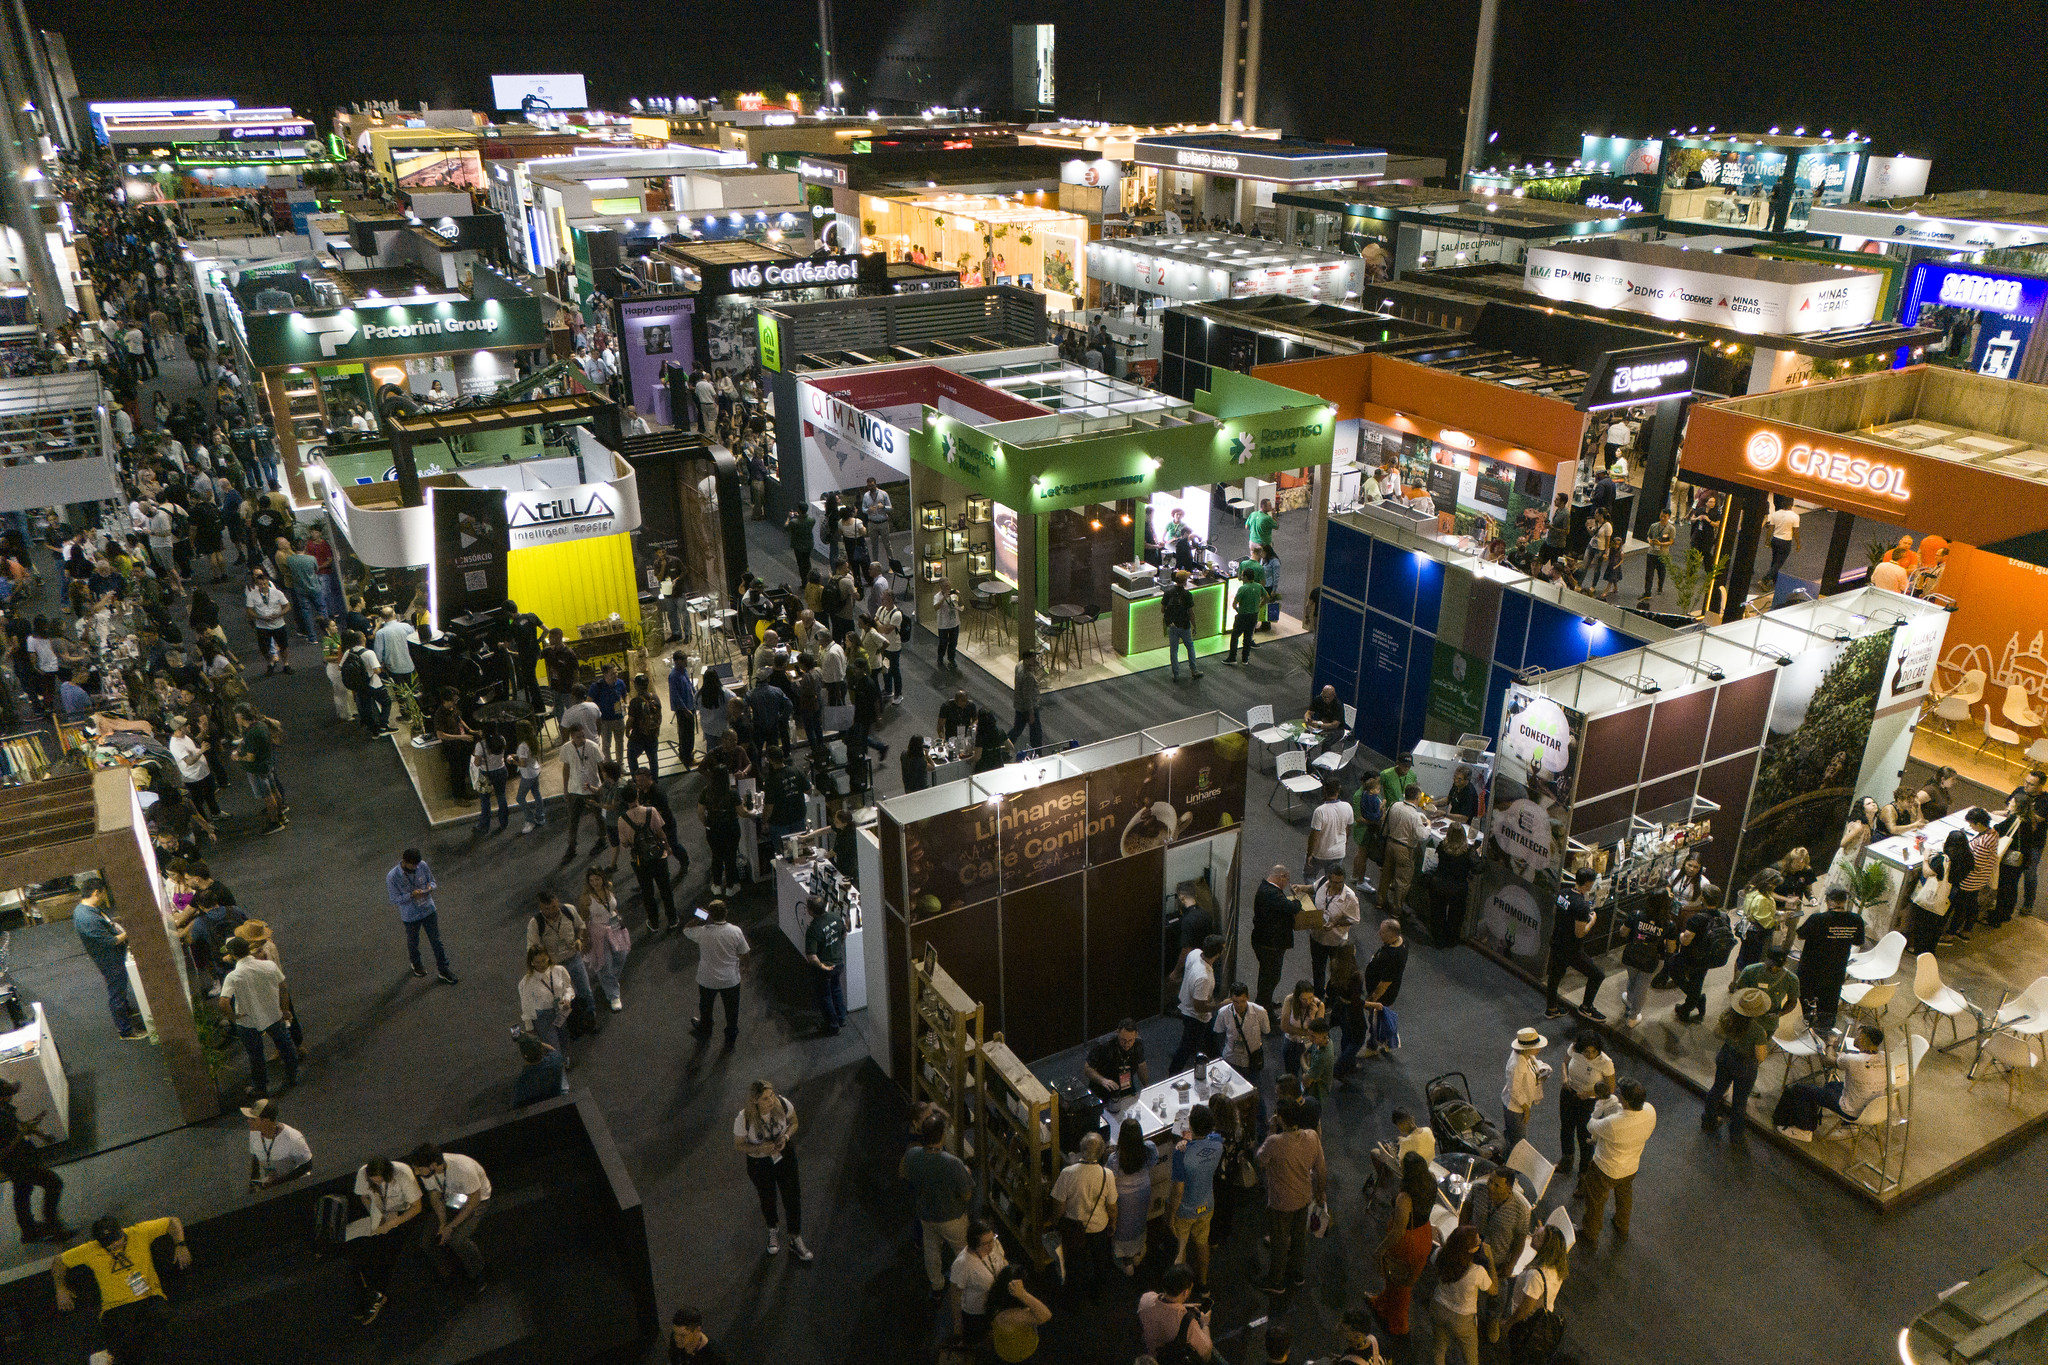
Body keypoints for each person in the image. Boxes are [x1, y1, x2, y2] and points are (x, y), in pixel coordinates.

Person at [53, 1213, 190, 1357]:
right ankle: (119, 1351)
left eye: (116, 1240)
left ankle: (112, 1352)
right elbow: (59, 1261)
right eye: (108, 1243)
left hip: (149, 1297)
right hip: (115, 1307)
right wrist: (60, 1288)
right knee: (122, 1330)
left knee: (161, 1317)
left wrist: (180, 1245)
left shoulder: (138, 1232)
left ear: (121, 1231)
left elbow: (172, 1221)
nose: (114, 1245)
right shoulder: (91, 1249)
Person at [734, 1079, 810, 1260]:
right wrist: (759, 1149)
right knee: (767, 1197)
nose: (771, 1101)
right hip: (760, 1164)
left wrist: (786, 1137)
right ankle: (772, 1230)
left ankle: (795, 1237)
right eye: (766, 1099)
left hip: (785, 1156)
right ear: (755, 1101)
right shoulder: (744, 1118)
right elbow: (739, 1145)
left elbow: (794, 1122)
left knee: (792, 1195)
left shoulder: (783, 1104)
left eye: (772, 1095)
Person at [1252, 1106, 1326, 1294]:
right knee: (1299, 1237)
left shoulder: (1275, 1142)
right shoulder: (1312, 1136)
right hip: (1304, 1197)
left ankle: (1275, 1281)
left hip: (1281, 1202)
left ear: (1282, 1119)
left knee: (1279, 1241)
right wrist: (1320, 1192)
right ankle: (1297, 1273)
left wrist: (1270, 1129)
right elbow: (1321, 1169)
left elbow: (1260, 1160)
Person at [902, 1110, 975, 1296]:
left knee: (931, 1250)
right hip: (952, 1218)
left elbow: (906, 1176)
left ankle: (936, 1285)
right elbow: (967, 1195)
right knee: (962, 1254)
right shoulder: (952, 1163)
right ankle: (966, 1286)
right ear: (942, 1135)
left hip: (926, 1215)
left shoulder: (912, 1155)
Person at [1579, 1078, 1656, 1252]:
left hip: (1606, 1168)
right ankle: (1622, 1224)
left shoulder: (1614, 1124)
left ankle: (1590, 1233)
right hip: (1631, 1167)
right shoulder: (1650, 1111)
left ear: (1625, 1100)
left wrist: (1596, 1108)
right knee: (1624, 1197)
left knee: (1596, 1201)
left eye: (1619, 1092)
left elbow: (1591, 1126)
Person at [218, 936, 298, 1098]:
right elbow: (283, 988)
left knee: (256, 1055)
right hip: (273, 1014)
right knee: (285, 1045)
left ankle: (260, 1087)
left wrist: (233, 1018)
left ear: (233, 955)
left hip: (248, 1021)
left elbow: (223, 1002)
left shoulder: (233, 976)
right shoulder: (269, 966)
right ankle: (292, 1075)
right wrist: (284, 1009)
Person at [408, 1142, 492, 1293]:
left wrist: (450, 1226)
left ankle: (478, 1271)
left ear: (433, 1165)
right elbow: (434, 1195)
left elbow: (474, 1200)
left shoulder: (463, 1169)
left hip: (477, 1201)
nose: (416, 1172)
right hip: (452, 1199)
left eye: (418, 1168)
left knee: (458, 1240)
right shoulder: (428, 1173)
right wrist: (442, 1223)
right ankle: (449, 1272)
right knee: (426, 1241)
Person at [1778, 1024, 1890, 1137]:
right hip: (1872, 1110)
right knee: (1831, 1085)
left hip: (1851, 1111)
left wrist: (1830, 1043)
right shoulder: (1885, 1057)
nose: (1855, 1038)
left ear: (1862, 1038)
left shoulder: (1853, 1060)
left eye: (1857, 1035)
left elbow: (1828, 1060)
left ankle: (1804, 1130)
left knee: (1800, 1089)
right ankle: (1846, 1125)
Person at [72, 878, 147, 1040]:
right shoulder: (87, 918)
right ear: (96, 893)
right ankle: (125, 1030)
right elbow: (109, 941)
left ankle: (126, 1012)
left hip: (112, 957)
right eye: (102, 895)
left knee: (119, 989)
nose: (103, 898)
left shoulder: (88, 909)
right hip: (109, 960)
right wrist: (130, 931)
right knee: (116, 993)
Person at [348, 1157, 421, 1322]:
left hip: (403, 1214)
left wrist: (393, 1222)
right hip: (380, 1214)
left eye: (380, 1181)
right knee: (360, 1253)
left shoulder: (404, 1175)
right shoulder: (363, 1173)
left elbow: (417, 1207)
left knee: (387, 1253)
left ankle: (378, 1294)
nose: (377, 1184)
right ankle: (372, 1294)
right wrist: (378, 1217)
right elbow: (364, 1197)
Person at [1462, 1167, 1530, 1343]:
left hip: (1498, 1259)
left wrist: (1511, 1264)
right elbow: (1466, 1210)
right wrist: (1462, 1235)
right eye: (1490, 1181)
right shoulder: (1478, 1190)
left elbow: (1519, 1240)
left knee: (1497, 1294)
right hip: (1472, 1251)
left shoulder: (1520, 1210)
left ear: (1509, 1188)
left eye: (1497, 1185)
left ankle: (1493, 1321)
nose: (1490, 1187)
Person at [1050, 1132, 1116, 1295]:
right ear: (1101, 1153)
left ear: (1081, 1149)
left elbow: (1059, 1205)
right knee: (1099, 1263)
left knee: (1074, 1265)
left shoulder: (1067, 1173)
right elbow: (1112, 1206)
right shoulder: (1107, 1175)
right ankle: (1098, 1294)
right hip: (1098, 1228)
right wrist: (1113, 1223)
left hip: (1074, 1230)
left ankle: (1075, 1297)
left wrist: (1056, 1223)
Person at [0, 1076, 64, 1240]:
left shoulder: (5, 1110)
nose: (11, 1097)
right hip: (17, 1163)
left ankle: (29, 1230)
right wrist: (22, 1134)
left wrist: (42, 1135)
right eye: (8, 1094)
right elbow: (4, 1151)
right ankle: (52, 1225)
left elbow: (21, 1126)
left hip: (21, 1159)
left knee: (22, 1192)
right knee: (53, 1183)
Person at [1169, 1103, 1224, 1292]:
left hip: (1186, 1209)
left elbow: (1177, 1190)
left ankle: (1181, 1290)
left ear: (1190, 1125)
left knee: (1181, 1249)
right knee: (1202, 1243)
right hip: (1207, 1205)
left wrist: (1170, 1216)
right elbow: (1210, 1138)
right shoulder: (1218, 1142)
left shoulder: (1181, 1153)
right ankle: (1203, 1283)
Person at [1796, 887, 1867, 1030]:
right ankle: (1824, 1034)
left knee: (1805, 1000)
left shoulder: (1817, 919)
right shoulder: (1856, 920)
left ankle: (1803, 1028)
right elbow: (1859, 942)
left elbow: (1801, 934)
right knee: (1829, 1006)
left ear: (1828, 901)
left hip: (1812, 968)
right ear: (1846, 901)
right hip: (1836, 969)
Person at [386, 849, 456, 984]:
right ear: (405, 862)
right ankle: (416, 963)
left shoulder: (422, 865)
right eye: (413, 866)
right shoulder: (392, 876)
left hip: (428, 909)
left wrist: (430, 887)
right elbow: (394, 899)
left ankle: (443, 970)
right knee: (413, 940)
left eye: (417, 865)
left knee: (436, 940)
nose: (416, 868)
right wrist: (411, 895)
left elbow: (433, 881)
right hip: (411, 915)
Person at [685, 899, 749, 1044]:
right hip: (730, 979)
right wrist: (746, 967)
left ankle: (705, 1027)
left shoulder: (702, 933)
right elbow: (745, 952)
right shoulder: (735, 931)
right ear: (726, 912)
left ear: (710, 916)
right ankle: (731, 1033)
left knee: (706, 1006)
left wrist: (698, 918)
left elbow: (686, 930)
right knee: (732, 1009)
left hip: (707, 979)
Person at [1431, 1223, 1495, 1365]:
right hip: (1462, 1319)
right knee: (1471, 1358)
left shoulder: (1439, 1255)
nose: (1481, 1243)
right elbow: (1494, 1290)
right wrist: (1490, 1260)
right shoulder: (1477, 1272)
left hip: (1438, 1307)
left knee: (1439, 1349)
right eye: (1478, 1241)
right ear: (1472, 1250)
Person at [1170, 934, 1225, 1072]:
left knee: (1210, 1041)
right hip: (1196, 1017)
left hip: (1188, 1008)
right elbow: (1199, 1006)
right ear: (1218, 953)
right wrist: (1219, 1005)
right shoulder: (1203, 977)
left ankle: (1217, 1062)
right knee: (1187, 1046)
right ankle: (1174, 1071)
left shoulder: (1195, 954)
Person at [1137, 1265, 1214, 1361]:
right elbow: (1206, 1351)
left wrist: (1182, 1306)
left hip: (1148, 1353)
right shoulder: (1186, 1323)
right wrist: (1205, 1323)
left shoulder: (1146, 1298)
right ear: (1185, 1292)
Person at [1356, 918, 1407, 1061]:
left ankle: (1373, 1046)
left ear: (1393, 935)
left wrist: (1371, 1000)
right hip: (1384, 990)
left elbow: (1384, 984)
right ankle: (1386, 1040)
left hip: (1382, 995)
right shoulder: (1401, 942)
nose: (1378, 933)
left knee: (1375, 1019)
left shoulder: (1393, 957)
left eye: (1383, 932)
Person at [1110, 1118, 1156, 1275]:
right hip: (1144, 1190)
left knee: (1123, 1226)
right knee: (1138, 1221)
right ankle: (1136, 1254)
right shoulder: (1148, 1149)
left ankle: (1126, 1260)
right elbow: (1152, 1162)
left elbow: (1110, 1178)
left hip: (1123, 1197)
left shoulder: (1115, 1159)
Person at [1249, 865, 1297, 1014]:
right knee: (1270, 978)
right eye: (1287, 880)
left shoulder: (1265, 888)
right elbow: (1293, 907)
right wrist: (1296, 898)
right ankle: (1265, 1009)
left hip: (1264, 941)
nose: (1286, 884)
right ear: (1281, 876)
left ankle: (1264, 1001)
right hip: (1270, 944)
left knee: (1266, 976)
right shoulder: (1272, 893)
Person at [949, 1220, 1007, 1342]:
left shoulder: (994, 1244)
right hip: (977, 1312)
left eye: (993, 1239)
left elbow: (1002, 1260)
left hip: (995, 1305)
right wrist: (957, 1323)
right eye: (986, 1243)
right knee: (976, 1338)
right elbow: (955, 1294)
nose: (992, 1245)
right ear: (974, 1244)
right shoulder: (963, 1264)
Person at [1309, 865, 1360, 996]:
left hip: (1336, 942)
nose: (1337, 885)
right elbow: (1312, 888)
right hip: (1317, 937)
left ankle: (1332, 997)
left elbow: (1354, 919)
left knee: (1337, 972)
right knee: (1318, 968)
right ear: (1329, 879)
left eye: (1340, 882)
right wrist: (1300, 888)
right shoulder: (1322, 884)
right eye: (1334, 882)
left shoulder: (1350, 898)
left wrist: (1335, 923)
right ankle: (1319, 995)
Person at [988, 1262, 1053, 1362]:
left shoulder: (995, 1298)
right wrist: (1023, 1295)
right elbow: (1046, 1315)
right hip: (1018, 1353)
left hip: (1003, 1345)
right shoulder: (1011, 1316)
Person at [804, 894, 849, 1035]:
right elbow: (844, 934)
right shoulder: (835, 917)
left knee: (825, 996)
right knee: (836, 989)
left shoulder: (813, 929)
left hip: (825, 968)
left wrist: (822, 966)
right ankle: (841, 1018)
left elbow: (811, 955)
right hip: (838, 963)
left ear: (810, 911)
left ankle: (832, 1025)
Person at [244, 1097, 312, 1189]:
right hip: (269, 1186)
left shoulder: (293, 1138)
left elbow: (307, 1165)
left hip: (292, 1187)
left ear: (266, 1121)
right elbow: (256, 1157)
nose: (248, 1121)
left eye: (253, 1119)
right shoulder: (254, 1133)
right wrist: (252, 1184)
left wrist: (279, 1182)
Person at [1953, 805, 1999, 939]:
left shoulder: (1984, 842)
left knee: (1960, 907)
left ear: (1979, 824)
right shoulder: (1993, 833)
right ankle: (1967, 930)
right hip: (1980, 878)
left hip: (1971, 879)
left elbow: (1976, 864)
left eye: (1972, 824)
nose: (1971, 827)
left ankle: (1951, 933)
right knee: (1972, 904)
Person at [1382, 782, 1427, 915]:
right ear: (1417, 796)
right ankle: (1396, 910)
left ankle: (1380, 901)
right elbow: (1421, 835)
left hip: (1390, 844)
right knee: (1402, 881)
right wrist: (1428, 826)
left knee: (1386, 875)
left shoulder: (1395, 805)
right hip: (1404, 849)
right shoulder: (1414, 815)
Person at [1501, 1026, 1551, 1148]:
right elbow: (1514, 1090)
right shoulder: (1517, 1065)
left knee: (1513, 1136)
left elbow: (1533, 1065)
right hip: (1515, 1108)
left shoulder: (1526, 1055)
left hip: (1519, 1104)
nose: (1539, 1049)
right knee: (1519, 1143)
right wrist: (1526, 1109)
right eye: (1536, 1047)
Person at [1431, 823, 1477, 946]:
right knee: (1456, 916)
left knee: (1438, 913)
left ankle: (1438, 939)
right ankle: (1451, 940)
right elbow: (1478, 868)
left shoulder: (1442, 846)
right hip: (1458, 887)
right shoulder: (1468, 851)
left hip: (1439, 884)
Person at [2008, 769, 2048, 911]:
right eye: (2026, 781)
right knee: (2010, 872)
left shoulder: (2045, 801)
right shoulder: (2020, 790)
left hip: (2033, 844)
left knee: (2030, 874)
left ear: (2040, 786)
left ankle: (2028, 905)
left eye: (2031, 784)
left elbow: (2037, 818)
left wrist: (2017, 811)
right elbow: (2009, 809)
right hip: (2015, 839)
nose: (2026, 786)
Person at [1084, 1017, 1149, 1104]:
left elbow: (1141, 1065)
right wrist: (1103, 1080)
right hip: (1103, 1087)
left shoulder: (1138, 1044)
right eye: (1123, 1040)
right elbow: (1088, 1069)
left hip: (1125, 1084)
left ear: (1136, 1035)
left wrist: (1147, 1086)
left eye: (1130, 1040)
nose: (1127, 1044)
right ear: (1117, 1032)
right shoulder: (1103, 1045)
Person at [1307, 780, 1351, 884]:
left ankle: (1313, 898)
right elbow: (1348, 829)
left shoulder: (1320, 811)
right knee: (1332, 881)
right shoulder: (1347, 807)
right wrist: (1343, 843)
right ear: (1338, 791)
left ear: (1324, 791)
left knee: (1309, 876)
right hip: (1339, 852)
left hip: (1321, 853)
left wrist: (1309, 853)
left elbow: (1314, 835)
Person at [1162, 569, 1201, 681]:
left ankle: (1176, 674)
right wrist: (1194, 625)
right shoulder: (1187, 595)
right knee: (1190, 647)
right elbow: (1191, 612)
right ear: (1184, 581)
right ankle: (1194, 670)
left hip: (1172, 625)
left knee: (1174, 650)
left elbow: (1162, 610)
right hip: (1184, 625)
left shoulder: (1168, 593)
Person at [1225, 563, 1264, 664]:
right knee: (1248, 637)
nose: (1241, 578)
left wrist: (1238, 610)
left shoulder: (1242, 588)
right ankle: (1245, 659)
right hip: (1254, 615)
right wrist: (1259, 606)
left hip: (1242, 616)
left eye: (1242, 576)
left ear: (1246, 577)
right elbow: (1267, 597)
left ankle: (1232, 658)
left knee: (1235, 636)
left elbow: (1234, 604)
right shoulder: (1259, 586)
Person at [1008, 649, 1044, 751]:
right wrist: (1031, 713)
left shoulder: (1019, 665)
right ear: (1027, 659)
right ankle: (1037, 752)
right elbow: (1027, 696)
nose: (1035, 660)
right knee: (1036, 732)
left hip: (1019, 705)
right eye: (1033, 658)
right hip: (1028, 708)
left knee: (1017, 729)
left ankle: (1005, 745)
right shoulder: (1027, 675)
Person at [1762, 493, 1800, 582]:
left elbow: (1770, 529)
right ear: (1792, 503)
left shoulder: (1776, 514)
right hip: (1785, 541)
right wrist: (1798, 543)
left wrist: (1767, 540)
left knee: (1774, 560)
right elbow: (1795, 532)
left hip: (1775, 539)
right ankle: (1766, 579)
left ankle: (1774, 579)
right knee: (1779, 562)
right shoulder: (1795, 516)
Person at [1644, 506, 1676, 595]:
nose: (1662, 518)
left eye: (1664, 517)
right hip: (1651, 553)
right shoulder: (1654, 526)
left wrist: (1660, 544)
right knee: (1649, 574)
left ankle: (1660, 587)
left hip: (1663, 554)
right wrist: (1650, 541)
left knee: (1661, 572)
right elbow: (1648, 536)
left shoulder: (1671, 528)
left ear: (1668, 517)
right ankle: (1647, 592)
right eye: (1661, 516)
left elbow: (1671, 541)